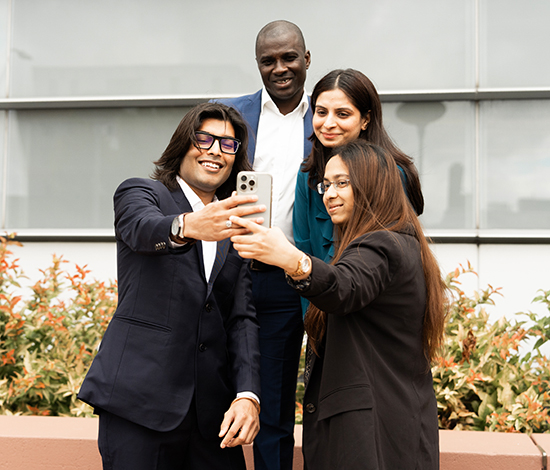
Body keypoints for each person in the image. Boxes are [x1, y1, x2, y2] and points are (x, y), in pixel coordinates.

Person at [230, 140, 446, 470]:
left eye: (342, 183)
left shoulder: (380, 245)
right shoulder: (399, 242)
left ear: (373, 185)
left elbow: (342, 287)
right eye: (326, 184)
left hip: (369, 437)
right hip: (392, 426)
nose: (329, 194)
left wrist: (290, 258)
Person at [78, 102, 265, 470]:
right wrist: (188, 226)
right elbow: (142, 229)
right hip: (140, 405)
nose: (215, 150)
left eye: (228, 145)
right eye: (205, 138)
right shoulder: (141, 193)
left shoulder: (236, 228)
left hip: (213, 418)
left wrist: (248, 395)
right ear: (184, 143)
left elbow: (241, 318)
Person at [214, 20, 312, 470]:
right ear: (257, 65)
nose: (280, 68)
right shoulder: (231, 116)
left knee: (275, 406)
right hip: (237, 274)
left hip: (301, 275)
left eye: (288, 57)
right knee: (222, 393)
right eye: (268, 61)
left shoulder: (328, 118)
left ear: (306, 59)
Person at [294, 68, 424, 266]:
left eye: (342, 114)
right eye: (321, 112)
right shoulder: (308, 174)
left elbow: (398, 258)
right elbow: (303, 254)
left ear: (365, 119)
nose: (328, 123)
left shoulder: (391, 174)